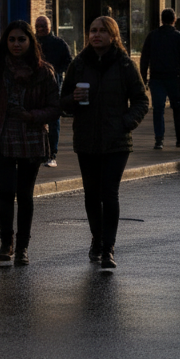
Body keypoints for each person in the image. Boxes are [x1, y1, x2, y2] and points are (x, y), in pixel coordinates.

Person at [62, 16, 149, 269]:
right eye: (92, 31)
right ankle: (96, 240)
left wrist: (126, 123)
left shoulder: (124, 65)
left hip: (117, 140)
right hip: (86, 138)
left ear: (113, 36)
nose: (96, 35)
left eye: (102, 31)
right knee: (91, 194)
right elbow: (63, 101)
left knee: (109, 193)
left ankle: (109, 247)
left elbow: (142, 100)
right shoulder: (78, 64)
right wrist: (73, 99)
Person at [0, 21, 61, 266]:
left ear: (31, 42)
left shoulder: (44, 71)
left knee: (25, 195)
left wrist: (32, 116)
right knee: (5, 192)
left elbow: (55, 108)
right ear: (5, 42)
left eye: (21, 39)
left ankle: (22, 247)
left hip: (31, 139)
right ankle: (5, 244)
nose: (16, 44)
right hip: (1, 137)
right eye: (12, 39)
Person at [139, 8, 180, 149]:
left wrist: (143, 78)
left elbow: (144, 59)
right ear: (174, 20)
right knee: (177, 108)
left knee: (158, 109)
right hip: (175, 77)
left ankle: (159, 139)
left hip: (157, 78)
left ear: (162, 20)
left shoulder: (152, 36)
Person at [34, 16, 72, 168]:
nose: (41, 28)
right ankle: (38, 152)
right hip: (35, 86)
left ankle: (52, 154)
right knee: (36, 118)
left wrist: (56, 73)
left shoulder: (59, 44)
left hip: (54, 86)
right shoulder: (32, 44)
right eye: (38, 26)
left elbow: (68, 61)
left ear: (50, 26)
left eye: (44, 25)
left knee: (53, 120)